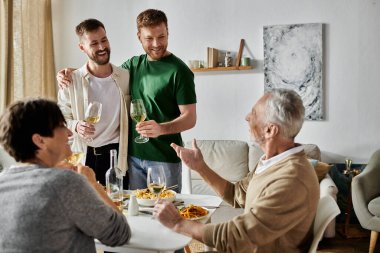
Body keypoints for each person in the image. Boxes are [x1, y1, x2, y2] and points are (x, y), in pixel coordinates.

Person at [154, 89, 320, 253]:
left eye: (254, 113)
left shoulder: (291, 179)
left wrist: (178, 223)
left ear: (270, 130)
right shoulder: (272, 161)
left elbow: (236, 237)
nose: (247, 117)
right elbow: (238, 193)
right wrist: (200, 167)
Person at [57, 10, 196, 192]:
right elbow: (103, 73)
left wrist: (162, 129)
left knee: (166, 213)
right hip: (131, 158)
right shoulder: (133, 66)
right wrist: (72, 73)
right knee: (135, 214)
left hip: (164, 158)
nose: (156, 44)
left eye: (161, 36)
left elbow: (190, 118)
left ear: (168, 32)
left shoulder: (180, 71)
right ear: (139, 37)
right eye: (149, 38)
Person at [0, 98, 131, 252]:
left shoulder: (3, 181)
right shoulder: (65, 183)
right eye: (62, 126)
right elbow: (119, 234)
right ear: (40, 140)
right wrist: (93, 184)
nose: (69, 133)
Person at [57, 19, 130, 187]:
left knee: (118, 207)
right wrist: (75, 125)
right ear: (82, 47)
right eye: (94, 43)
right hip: (84, 156)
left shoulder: (125, 76)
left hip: (117, 157)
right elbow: (59, 119)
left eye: (104, 40)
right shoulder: (70, 80)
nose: (102, 47)